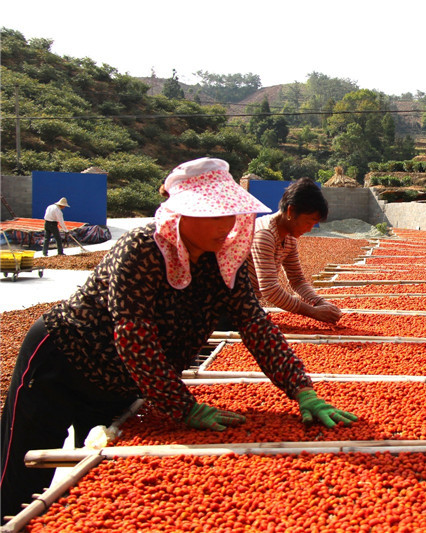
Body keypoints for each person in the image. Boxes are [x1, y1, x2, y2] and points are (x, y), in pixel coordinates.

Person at [0, 158, 356, 520]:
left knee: (88, 479)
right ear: (182, 214)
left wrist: (302, 389)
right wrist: (183, 406)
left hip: (124, 383)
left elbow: (255, 324)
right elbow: (134, 337)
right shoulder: (141, 249)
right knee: (21, 477)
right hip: (63, 364)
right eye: (215, 215)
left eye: (231, 215)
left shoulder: (223, 261)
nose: (227, 225)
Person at [248, 177, 343, 324]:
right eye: (308, 222)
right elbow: (269, 289)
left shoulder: (289, 238)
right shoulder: (265, 234)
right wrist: (313, 312)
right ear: (291, 211)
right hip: (228, 306)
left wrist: (320, 302)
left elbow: (297, 279)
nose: (310, 229)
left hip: (247, 304)